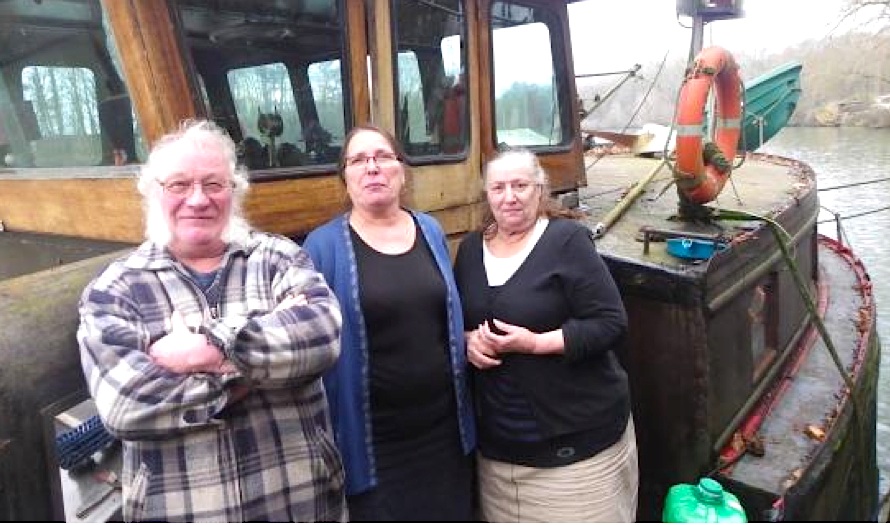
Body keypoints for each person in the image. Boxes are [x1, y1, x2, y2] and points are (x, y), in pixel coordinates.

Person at [76, 120, 346, 522]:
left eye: (213, 184)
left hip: (299, 505)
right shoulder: (116, 289)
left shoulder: (279, 258)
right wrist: (246, 370)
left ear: (234, 191)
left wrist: (205, 349)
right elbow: (126, 405)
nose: (198, 200)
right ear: (154, 192)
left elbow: (322, 335)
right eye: (179, 185)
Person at [453, 148, 638, 522]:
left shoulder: (567, 240)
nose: (510, 196)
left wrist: (536, 343)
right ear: (487, 194)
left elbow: (610, 322)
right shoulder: (472, 250)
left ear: (540, 190)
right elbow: (459, 317)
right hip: (501, 459)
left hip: (575, 454)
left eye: (521, 185)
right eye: (499, 187)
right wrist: (468, 339)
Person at [303, 124, 475, 522]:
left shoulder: (430, 229)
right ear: (345, 177)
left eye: (382, 157)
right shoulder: (322, 247)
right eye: (358, 160)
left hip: (445, 434)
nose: (372, 168)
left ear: (402, 170)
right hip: (375, 446)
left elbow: (441, 319)